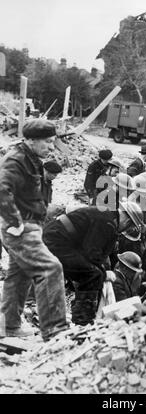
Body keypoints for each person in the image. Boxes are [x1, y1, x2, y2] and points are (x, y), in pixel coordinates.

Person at [0, 119, 68, 340]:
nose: (51, 147)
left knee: (18, 277)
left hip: (31, 224)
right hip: (21, 226)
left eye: (53, 142)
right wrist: (15, 223)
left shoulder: (31, 158)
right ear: (30, 140)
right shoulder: (16, 159)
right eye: (47, 142)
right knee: (50, 268)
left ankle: (9, 327)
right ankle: (54, 329)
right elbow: (1, 190)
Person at [43, 202, 145, 325]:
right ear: (127, 221)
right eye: (129, 226)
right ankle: (82, 320)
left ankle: (78, 313)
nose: (126, 230)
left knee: (91, 272)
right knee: (92, 275)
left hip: (58, 238)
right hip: (56, 240)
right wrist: (104, 273)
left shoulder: (106, 217)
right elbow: (92, 254)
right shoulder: (107, 223)